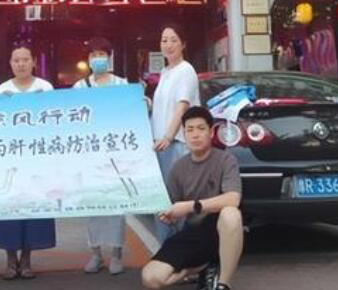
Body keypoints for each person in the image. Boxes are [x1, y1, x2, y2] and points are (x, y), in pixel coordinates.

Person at [141, 106, 243, 290]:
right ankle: (200, 267)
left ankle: (223, 284)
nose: (195, 135)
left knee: (231, 214)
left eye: (201, 129)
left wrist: (191, 206)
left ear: (211, 133)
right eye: (190, 130)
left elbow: (233, 199)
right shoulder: (178, 168)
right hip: (192, 233)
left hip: (220, 230)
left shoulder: (226, 160)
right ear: (184, 134)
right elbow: (170, 207)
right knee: (151, 278)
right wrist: (167, 214)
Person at [0, 45, 55, 280]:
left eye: (25, 59)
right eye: (17, 60)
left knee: (32, 210)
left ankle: (26, 259)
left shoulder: (45, 88)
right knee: (8, 210)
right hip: (9, 161)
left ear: (33, 62)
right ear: (10, 63)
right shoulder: (2, 90)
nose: (21, 64)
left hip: (36, 161)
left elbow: (55, 122)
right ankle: (10, 259)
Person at [73, 37, 128, 276]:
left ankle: (116, 254)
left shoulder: (121, 84)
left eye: (102, 54)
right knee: (93, 205)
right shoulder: (80, 87)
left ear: (109, 57)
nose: (98, 59)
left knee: (117, 205)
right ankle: (96, 254)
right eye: (93, 55)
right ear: (88, 59)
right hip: (90, 154)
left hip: (116, 153)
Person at [150, 23, 200, 241]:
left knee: (177, 200)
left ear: (183, 44)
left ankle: (180, 249)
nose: (168, 45)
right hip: (160, 145)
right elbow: (164, 107)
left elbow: (182, 106)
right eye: (164, 40)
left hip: (176, 144)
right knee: (162, 201)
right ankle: (165, 248)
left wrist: (169, 136)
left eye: (173, 40)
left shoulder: (185, 70)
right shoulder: (165, 72)